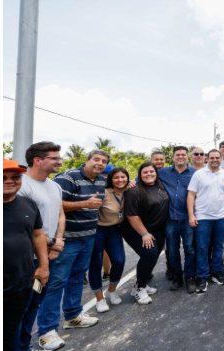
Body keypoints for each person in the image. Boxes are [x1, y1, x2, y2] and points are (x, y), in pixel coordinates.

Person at [37, 149, 107, 349]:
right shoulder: (68, 178)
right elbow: (54, 205)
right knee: (55, 283)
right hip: (67, 240)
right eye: (96, 159)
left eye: (103, 161)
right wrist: (85, 203)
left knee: (77, 277)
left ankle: (73, 315)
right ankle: (46, 331)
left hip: (88, 237)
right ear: (87, 160)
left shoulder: (101, 180)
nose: (99, 163)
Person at [15, 142, 71, 350]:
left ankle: (24, 345)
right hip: (27, 258)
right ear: (37, 160)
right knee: (21, 306)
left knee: (35, 302)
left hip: (48, 257)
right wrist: (51, 242)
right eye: (54, 158)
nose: (60, 162)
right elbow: (23, 227)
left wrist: (56, 242)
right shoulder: (22, 186)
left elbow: (60, 214)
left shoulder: (55, 186)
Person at [3, 159, 50, 351]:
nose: (9, 181)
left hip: (23, 281)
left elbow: (38, 235)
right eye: (3, 177)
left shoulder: (28, 204)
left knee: (12, 330)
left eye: (15, 177)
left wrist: (43, 266)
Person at [120, 162, 168, 305]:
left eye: (151, 171)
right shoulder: (134, 190)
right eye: (145, 172)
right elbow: (132, 215)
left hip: (157, 229)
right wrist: (144, 233)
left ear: (156, 173)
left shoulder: (160, 184)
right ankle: (139, 288)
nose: (149, 174)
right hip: (136, 230)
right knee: (149, 254)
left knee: (154, 255)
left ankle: (142, 283)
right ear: (140, 175)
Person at [188, 150, 224, 292]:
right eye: (212, 158)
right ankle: (202, 276)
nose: (215, 160)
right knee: (202, 247)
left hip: (221, 216)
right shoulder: (199, 174)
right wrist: (191, 215)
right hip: (203, 217)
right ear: (207, 159)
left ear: (221, 159)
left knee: (218, 246)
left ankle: (216, 271)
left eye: (217, 158)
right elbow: (191, 195)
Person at [158, 146, 196, 291]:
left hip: (188, 218)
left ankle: (190, 278)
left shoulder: (195, 173)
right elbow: (143, 177)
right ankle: (177, 277)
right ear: (173, 157)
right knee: (173, 251)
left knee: (189, 249)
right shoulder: (163, 172)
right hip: (170, 219)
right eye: (178, 155)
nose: (180, 157)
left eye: (183, 155)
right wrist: (131, 182)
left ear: (187, 157)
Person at [89, 167, 127, 313]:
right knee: (95, 264)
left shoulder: (128, 191)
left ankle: (111, 291)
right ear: (110, 179)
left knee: (119, 261)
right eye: (116, 177)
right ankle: (99, 299)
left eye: (123, 177)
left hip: (114, 230)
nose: (120, 180)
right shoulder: (103, 192)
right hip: (98, 231)